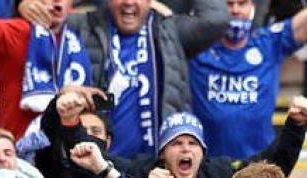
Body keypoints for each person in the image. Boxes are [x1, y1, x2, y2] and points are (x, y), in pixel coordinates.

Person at [41, 90, 307, 178]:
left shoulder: (221, 172)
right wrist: (70, 122)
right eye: (176, 143)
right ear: (162, 153)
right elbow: (92, 159)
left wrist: (296, 124)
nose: (185, 150)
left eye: (193, 143)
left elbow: (267, 168)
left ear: (203, 153)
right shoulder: (141, 170)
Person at [68, 0, 229, 158]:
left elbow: (215, 20)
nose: (129, 2)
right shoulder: (84, 26)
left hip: (159, 168)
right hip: (97, 165)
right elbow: (49, 14)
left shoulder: (169, 28)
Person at [188, 0, 307, 159]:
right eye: (229, 4)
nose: (235, 10)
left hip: (260, 167)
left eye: (242, 3)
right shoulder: (195, 47)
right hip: (208, 167)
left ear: (252, 7)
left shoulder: (268, 43)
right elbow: (163, 28)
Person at [0, 0, 91, 140]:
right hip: (19, 150)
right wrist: (18, 4)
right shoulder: (17, 32)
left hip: (71, 149)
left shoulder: (83, 37)